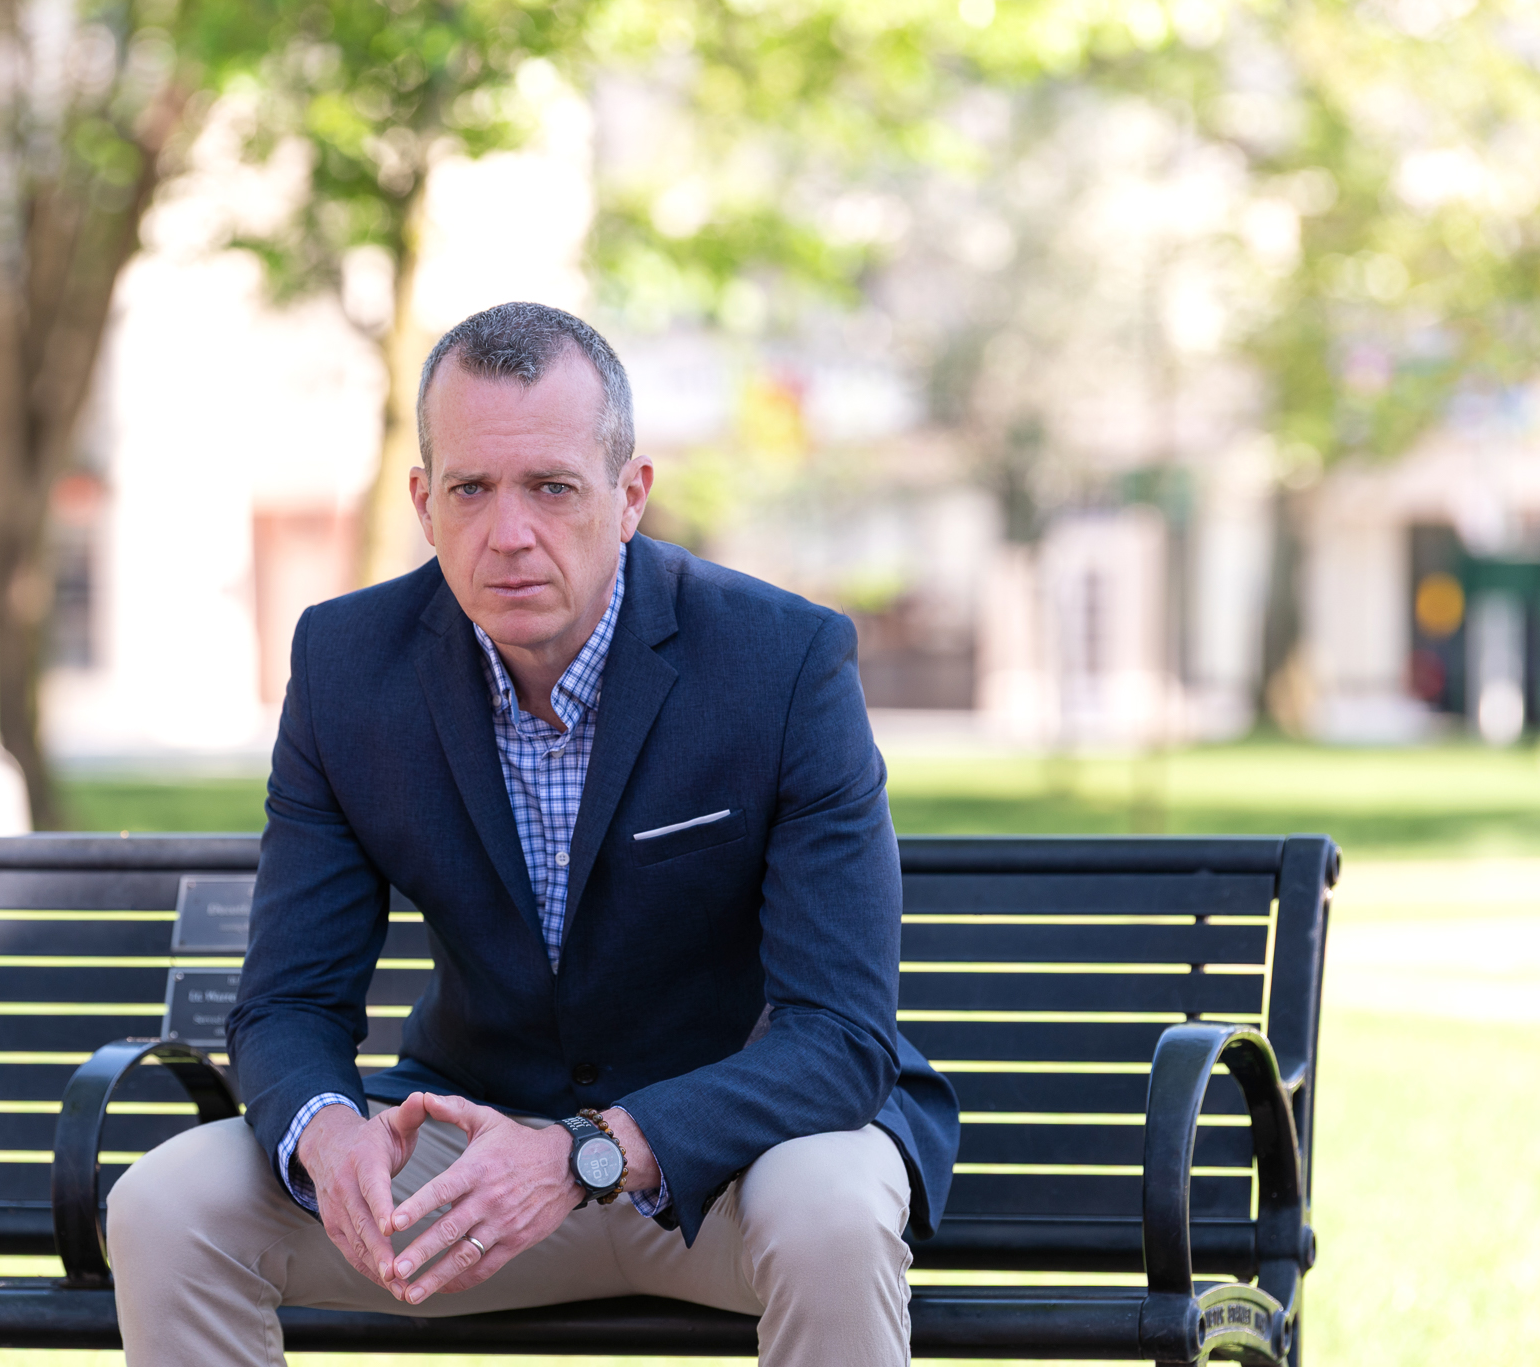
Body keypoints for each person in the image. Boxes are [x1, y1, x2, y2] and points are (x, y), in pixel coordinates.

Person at [108, 302, 959, 1366]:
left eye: (551, 487)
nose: (508, 533)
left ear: (628, 494)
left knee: (833, 1206)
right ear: (423, 502)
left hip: (734, 1166)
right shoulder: (346, 667)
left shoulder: (783, 665)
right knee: (165, 1203)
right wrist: (330, 1138)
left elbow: (839, 1035)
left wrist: (589, 1152)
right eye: (470, 489)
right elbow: (285, 1001)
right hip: (473, 1169)